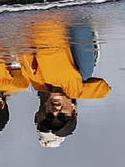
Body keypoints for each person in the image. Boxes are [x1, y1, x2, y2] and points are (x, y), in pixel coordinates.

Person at [19, 20, 111, 148]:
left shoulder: (37, 81)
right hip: (62, 15)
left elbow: (22, 44)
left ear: (44, 109)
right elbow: (104, 90)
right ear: (74, 110)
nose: (55, 111)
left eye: (50, 116)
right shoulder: (78, 82)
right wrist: (74, 93)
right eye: (62, 116)